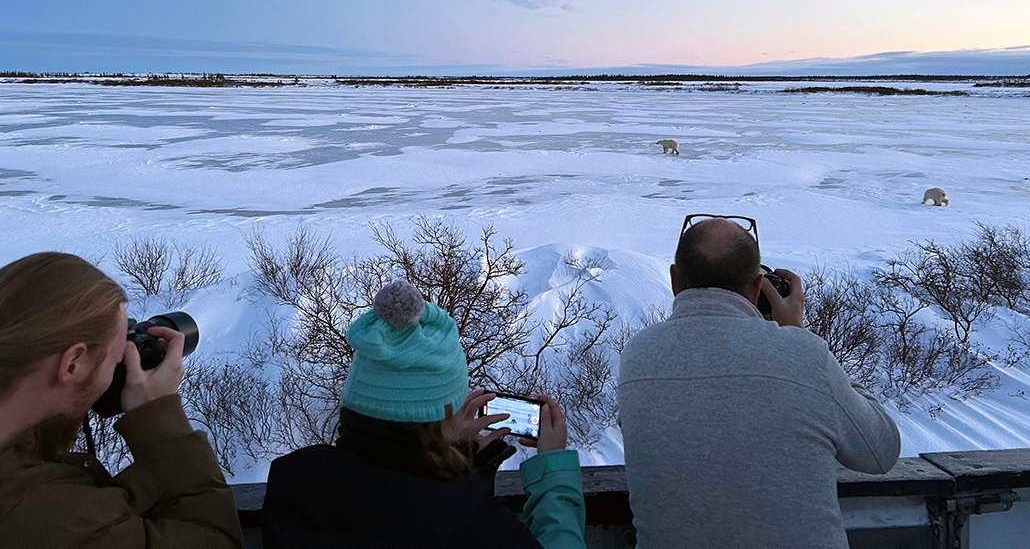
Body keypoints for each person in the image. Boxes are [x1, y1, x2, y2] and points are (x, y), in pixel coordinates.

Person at [618, 215, 901, 549]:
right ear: (757, 289)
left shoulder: (637, 355)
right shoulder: (803, 355)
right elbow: (880, 452)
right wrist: (798, 335)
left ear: (674, 280)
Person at [262, 279, 586, 549]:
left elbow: (392, 490)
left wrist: (450, 458)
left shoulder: (294, 483)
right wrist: (553, 474)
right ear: (447, 414)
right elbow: (432, 514)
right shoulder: (479, 528)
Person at [0, 252, 243, 548]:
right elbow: (217, 542)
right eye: (117, 357)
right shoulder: (45, 516)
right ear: (73, 364)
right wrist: (159, 420)